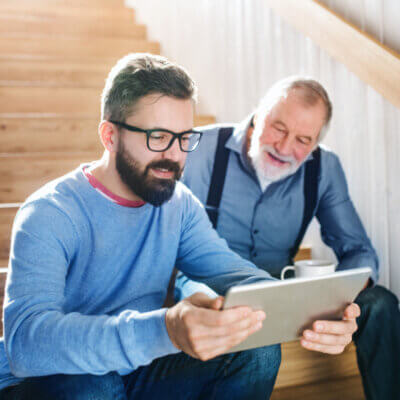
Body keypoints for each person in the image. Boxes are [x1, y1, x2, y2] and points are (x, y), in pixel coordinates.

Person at [0, 53, 287, 400]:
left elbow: (238, 276)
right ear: (109, 136)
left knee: (259, 351)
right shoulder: (50, 212)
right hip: (53, 381)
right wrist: (164, 329)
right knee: (94, 385)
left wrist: (313, 308)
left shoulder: (178, 205)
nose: (175, 156)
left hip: (138, 371)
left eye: (184, 138)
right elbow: (27, 343)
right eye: (158, 137)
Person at [178, 76, 400, 400]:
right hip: (207, 285)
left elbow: (357, 250)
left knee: (381, 304)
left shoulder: (325, 168)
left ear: (314, 145)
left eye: (302, 140)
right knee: (241, 335)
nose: (284, 148)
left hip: (279, 288)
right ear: (258, 116)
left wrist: (343, 293)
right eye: (279, 128)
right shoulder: (201, 149)